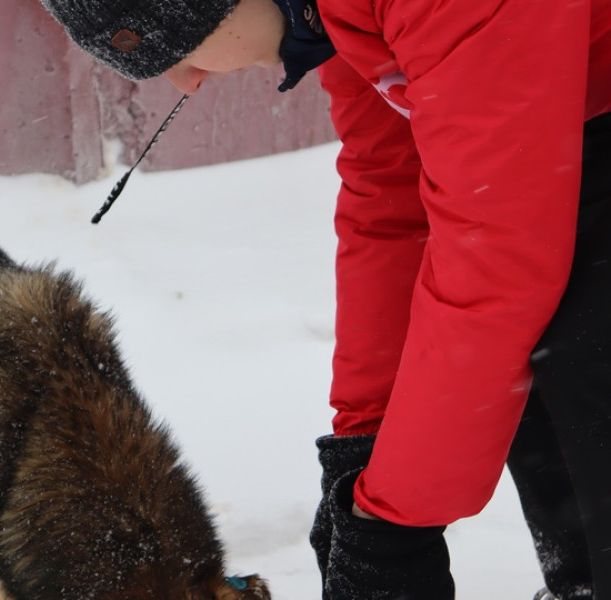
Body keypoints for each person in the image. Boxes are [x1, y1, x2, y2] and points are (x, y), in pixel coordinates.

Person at [37, 0, 611, 598]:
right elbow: (394, 202)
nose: (187, 80)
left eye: (176, 51)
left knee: (585, 345)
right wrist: (366, 450)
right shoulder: (339, 16)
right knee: (532, 356)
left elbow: (497, 261)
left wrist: (393, 523)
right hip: (571, 111)